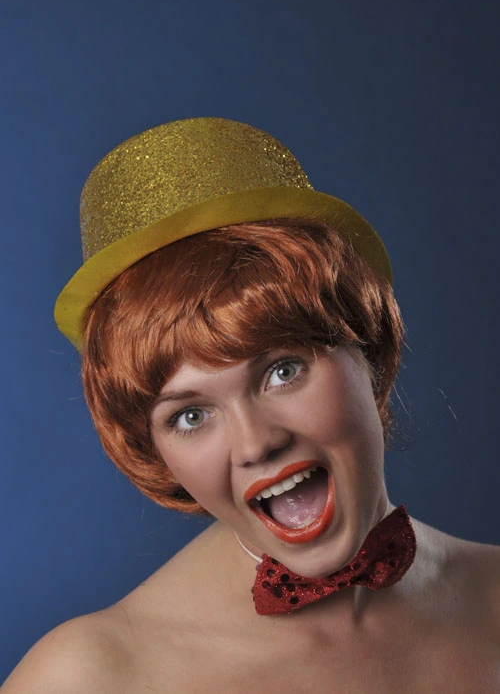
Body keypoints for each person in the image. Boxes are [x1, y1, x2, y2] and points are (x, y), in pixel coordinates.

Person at [2, 118, 499, 693]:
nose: (257, 443)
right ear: (154, 449)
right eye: (190, 415)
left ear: (368, 347)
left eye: (282, 372)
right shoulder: (87, 679)